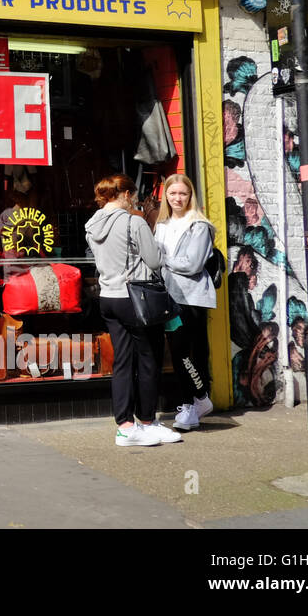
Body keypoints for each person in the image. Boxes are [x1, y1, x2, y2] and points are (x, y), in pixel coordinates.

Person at [84, 173, 181, 447]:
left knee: (122, 362)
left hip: (108, 297)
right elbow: (153, 260)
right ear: (125, 195)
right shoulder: (133, 222)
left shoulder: (92, 224)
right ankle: (148, 421)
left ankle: (125, 426)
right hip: (134, 298)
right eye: (134, 195)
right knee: (149, 359)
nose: (135, 200)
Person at [154, 173, 216, 431]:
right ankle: (197, 401)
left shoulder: (199, 226)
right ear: (165, 196)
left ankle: (191, 405)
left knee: (186, 352)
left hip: (190, 298)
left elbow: (192, 264)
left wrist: (162, 259)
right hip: (168, 297)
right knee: (178, 353)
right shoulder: (162, 225)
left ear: (191, 196)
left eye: (183, 193)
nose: (178, 198)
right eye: (173, 193)